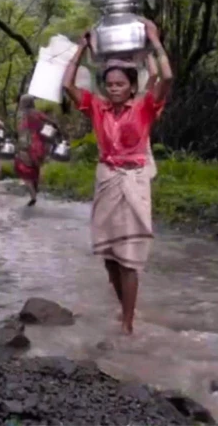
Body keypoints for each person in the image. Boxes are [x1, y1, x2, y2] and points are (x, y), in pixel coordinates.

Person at [61, 18, 173, 335]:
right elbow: (68, 86)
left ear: (132, 86)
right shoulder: (97, 108)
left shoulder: (145, 107)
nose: (114, 89)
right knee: (109, 255)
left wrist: (153, 41)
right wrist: (81, 48)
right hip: (108, 179)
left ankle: (128, 321)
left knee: (130, 257)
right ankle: (124, 306)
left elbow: (166, 76)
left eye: (120, 84)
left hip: (134, 180)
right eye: (109, 85)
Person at [14, 94, 61, 207]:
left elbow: (18, 131)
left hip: (25, 144)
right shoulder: (37, 113)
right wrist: (54, 130)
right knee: (35, 168)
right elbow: (52, 123)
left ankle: (33, 196)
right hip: (39, 144)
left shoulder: (21, 116)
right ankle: (35, 190)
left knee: (23, 169)